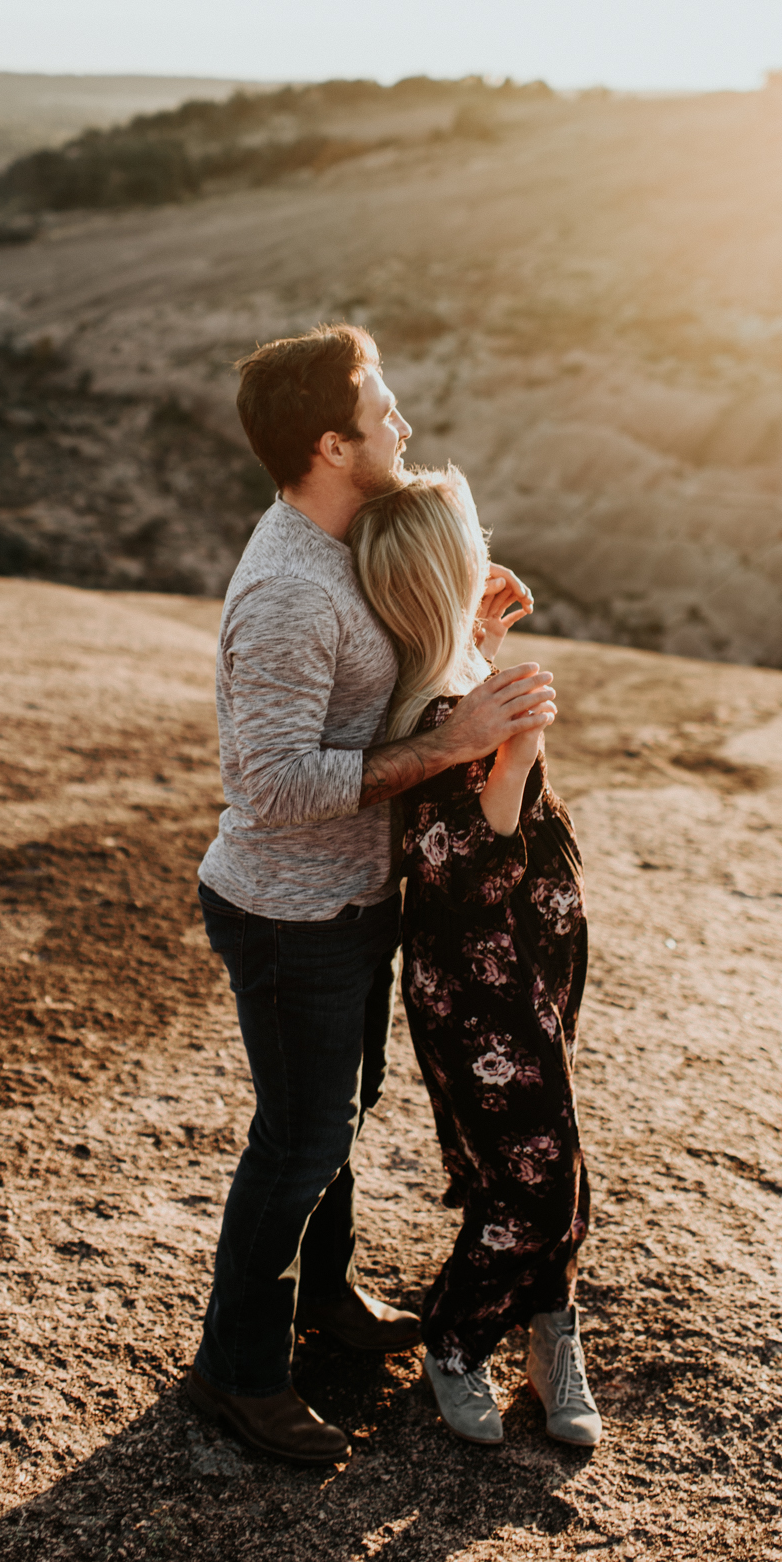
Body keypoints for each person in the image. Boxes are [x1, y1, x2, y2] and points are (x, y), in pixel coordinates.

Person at [186, 324, 556, 1465]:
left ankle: (324, 1301)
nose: (404, 421)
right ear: (333, 443)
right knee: (297, 1144)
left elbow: (385, 687)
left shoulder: (346, 539)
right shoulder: (288, 593)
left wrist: (468, 627)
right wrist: (458, 745)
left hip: (350, 902)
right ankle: (236, 1375)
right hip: (290, 914)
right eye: (383, 409)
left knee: (341, 1120)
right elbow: (275, 785)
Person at [349, 465, 601, 1449]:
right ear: (439, 573)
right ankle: (456, 1335)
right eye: (472, 538)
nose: (488, 543)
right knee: (537, 1174)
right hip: (478, 978)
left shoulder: (454, 677)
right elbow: (461, 867)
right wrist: (517, 753)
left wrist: (481, 641)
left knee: (555, 1150)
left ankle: (549, 1327)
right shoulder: (431, 711)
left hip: (533, 962)